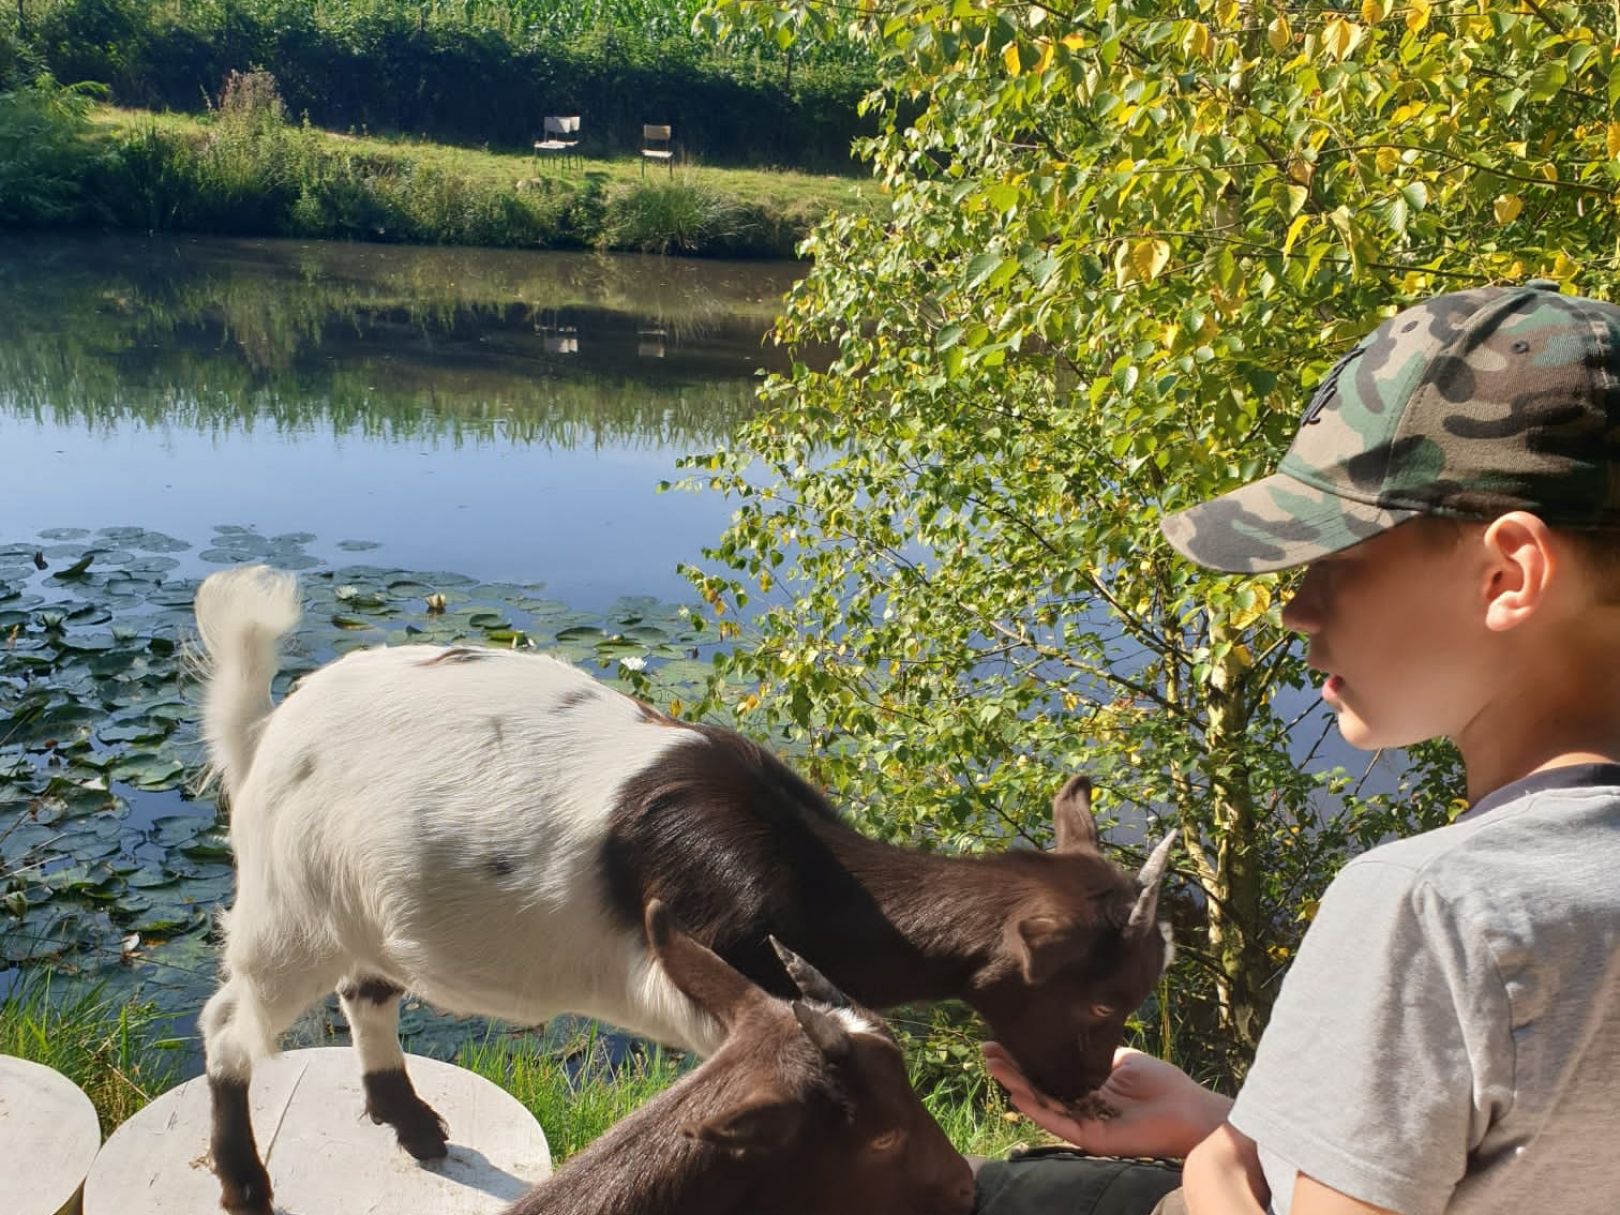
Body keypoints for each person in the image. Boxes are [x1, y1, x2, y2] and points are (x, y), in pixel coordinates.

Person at [974, 280, 1620, 1215]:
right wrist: (1248, 1119)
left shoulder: (1432, 907)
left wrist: (1217, 1170)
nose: (1295, 607)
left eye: (1340, 559)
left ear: (1506, 574)